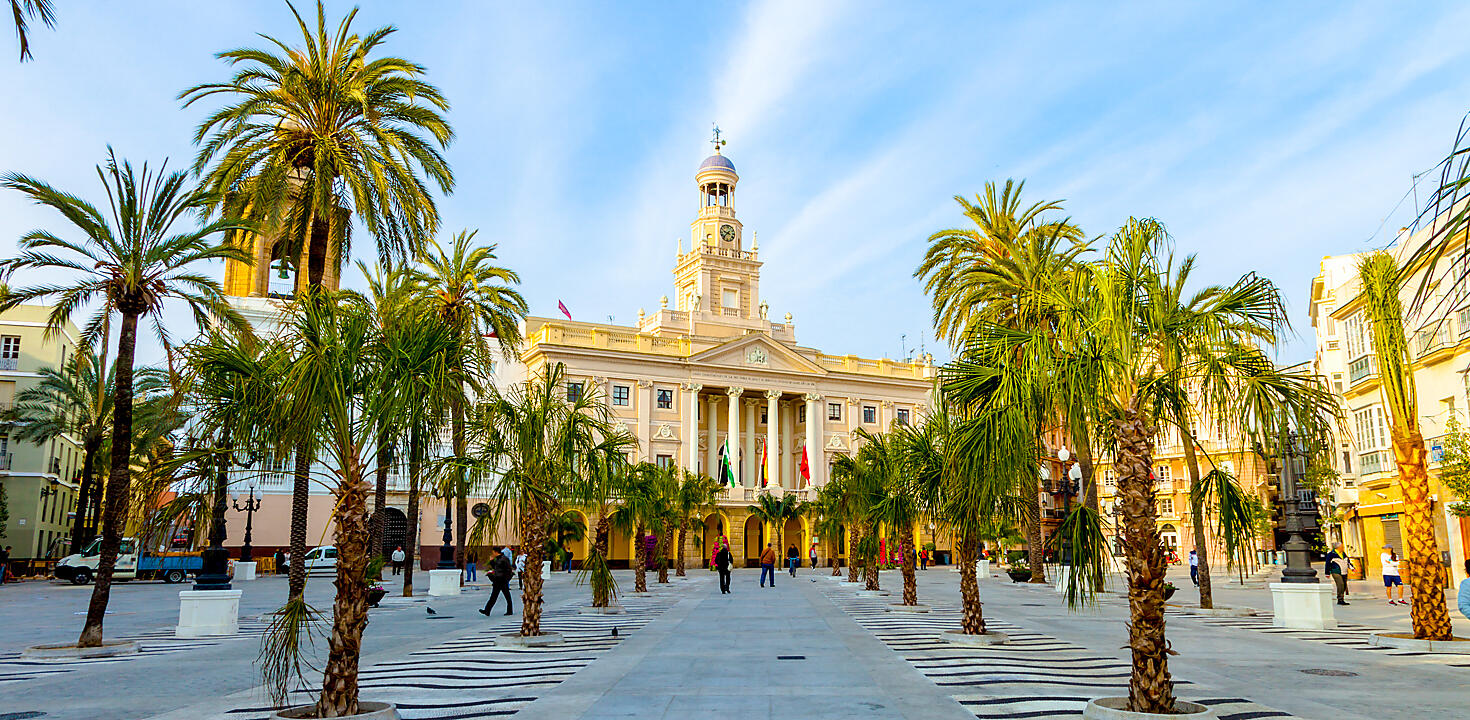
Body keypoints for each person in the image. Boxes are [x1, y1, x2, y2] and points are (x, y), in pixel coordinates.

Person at [479, 546, 515, 616]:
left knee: (507, 596)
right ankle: (487, 610)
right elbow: (495, 567)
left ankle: (509, 611)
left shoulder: (504, 559)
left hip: (502, 580)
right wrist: (492, 561)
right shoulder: (498, 559)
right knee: (494, 596)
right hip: (497, 580)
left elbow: (508, 569)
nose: (492, 553)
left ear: (496, 552)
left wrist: (506, 578)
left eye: (493, 552)